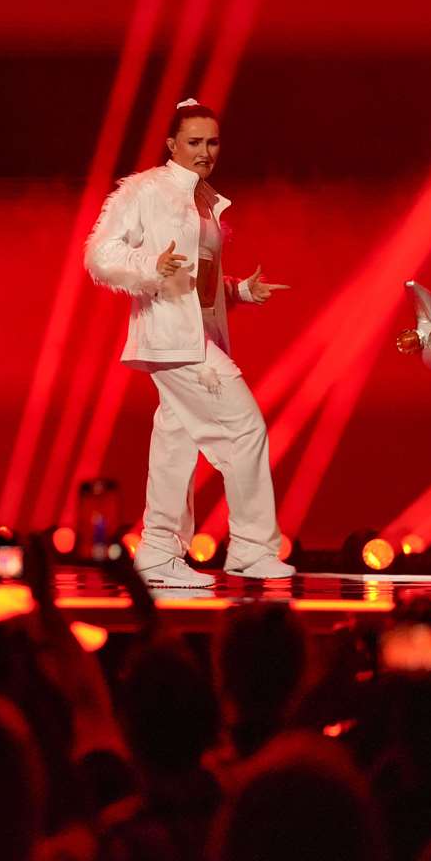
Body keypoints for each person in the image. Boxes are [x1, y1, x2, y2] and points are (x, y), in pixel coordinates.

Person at [84, 98, 293, 586]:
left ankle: (158, 550)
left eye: (212, 141)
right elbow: (100, 253)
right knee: (244, 429)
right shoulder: (146, 191)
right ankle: (251, 547)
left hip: (197, 334)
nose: (205, 151)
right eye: (194, 142)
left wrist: (239, 291)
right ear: (172, 144)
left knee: (175, 444)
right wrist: (150, 267)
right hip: (173, 340)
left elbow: (198, 283)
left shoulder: (206, 200)